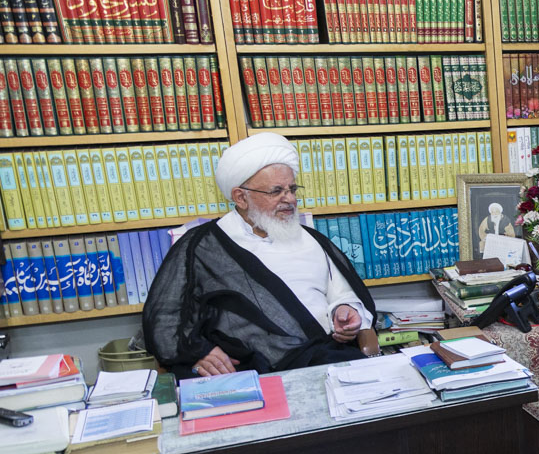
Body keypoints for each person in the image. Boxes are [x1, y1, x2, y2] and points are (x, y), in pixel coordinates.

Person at [143, 132, 377, 379]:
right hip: (245, 371)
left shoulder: (311, 239)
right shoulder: (204, 246)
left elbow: (344, 294)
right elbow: (163, 318)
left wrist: (346, 311)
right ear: (241, 197)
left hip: (323, 358)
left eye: (292, 189)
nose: (290, 199)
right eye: (276, 191)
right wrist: (197, 353)